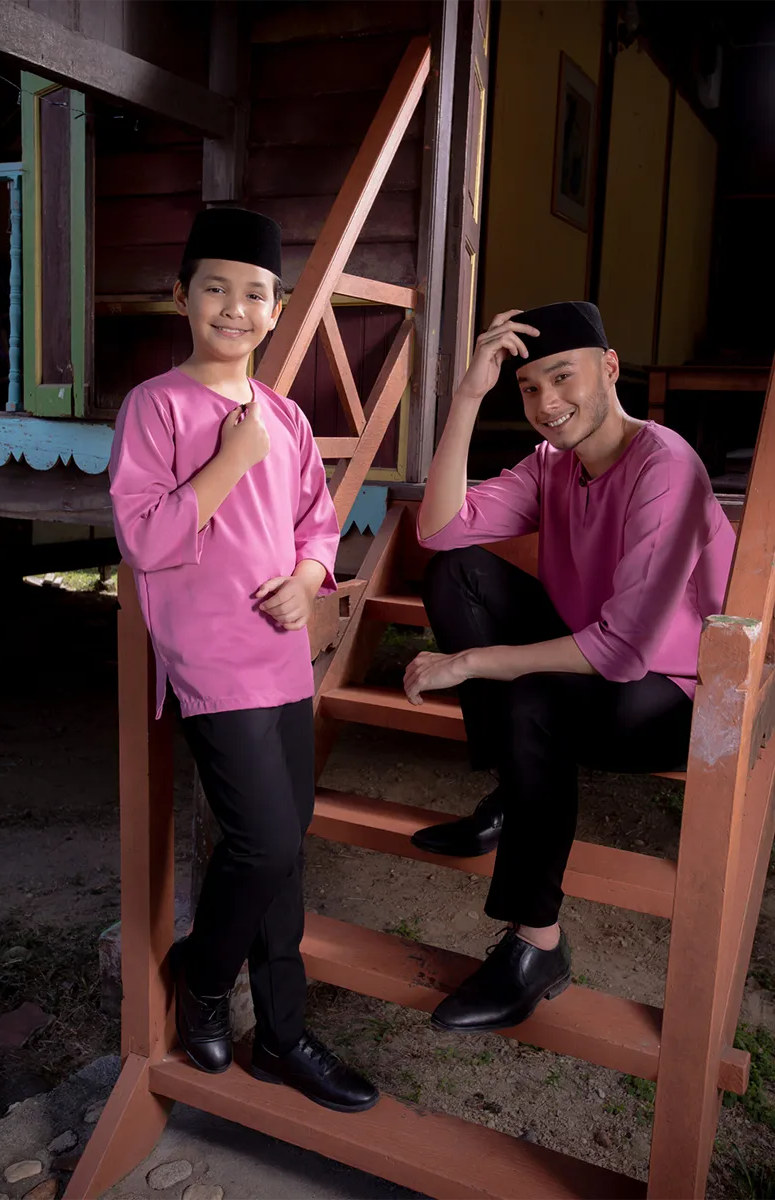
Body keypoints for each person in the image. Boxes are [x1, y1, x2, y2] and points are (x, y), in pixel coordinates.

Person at [109, 207, 378, 1113]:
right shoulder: (155, 407)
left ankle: (284, 1036)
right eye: (215, 288)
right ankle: (203, 978)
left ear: (276, 309)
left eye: (255, 293)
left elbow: (317, 524)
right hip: (210, 659)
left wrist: (307, 580)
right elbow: (145, 539)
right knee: (261, 841)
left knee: (283, 850)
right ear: (181, 296)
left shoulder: (287, 416)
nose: (234, 307)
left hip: (280, 656)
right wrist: (230, 459)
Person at [403, 302, 735, 1034]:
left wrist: (470, 662)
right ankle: (512, 793)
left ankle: (537, 945)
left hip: (680, 690)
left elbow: (623, 649)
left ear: (609, 368)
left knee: (533, 702)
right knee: (459, 574)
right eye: (528, 388)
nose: (546, 403)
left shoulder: (667, 466)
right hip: (598, 656)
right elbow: (439, 529)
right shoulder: (552, 465)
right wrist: (469, 394)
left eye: (562, 377)